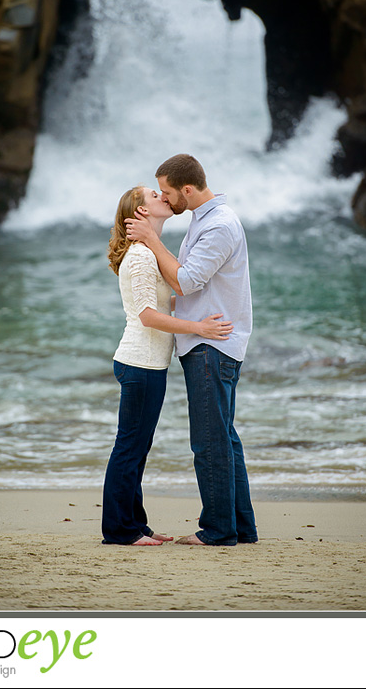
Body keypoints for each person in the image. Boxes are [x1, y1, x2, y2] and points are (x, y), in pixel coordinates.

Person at [125, 154, 258, 546]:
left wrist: (151, 239)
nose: (165, 199)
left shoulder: (218, 224)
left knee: (209, 441)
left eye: (167, 191)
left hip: (210, 345)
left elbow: (186, 281)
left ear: (187, 189)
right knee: (224, 437)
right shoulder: (205, 220)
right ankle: (240, 527)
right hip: (211, 343)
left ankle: (218, 531)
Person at [103, 184, 234, 546]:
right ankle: (119, 531)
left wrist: (198, 308)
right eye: (154, 195)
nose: (163, 196)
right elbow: (147, 316)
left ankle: (135, 525)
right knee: (129, 448)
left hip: (148, 364)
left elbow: (161, 305)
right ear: (141, 212)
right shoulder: (143, 257)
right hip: (140, 363)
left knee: (137, 448)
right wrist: (199, 328)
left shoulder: (148, 252)